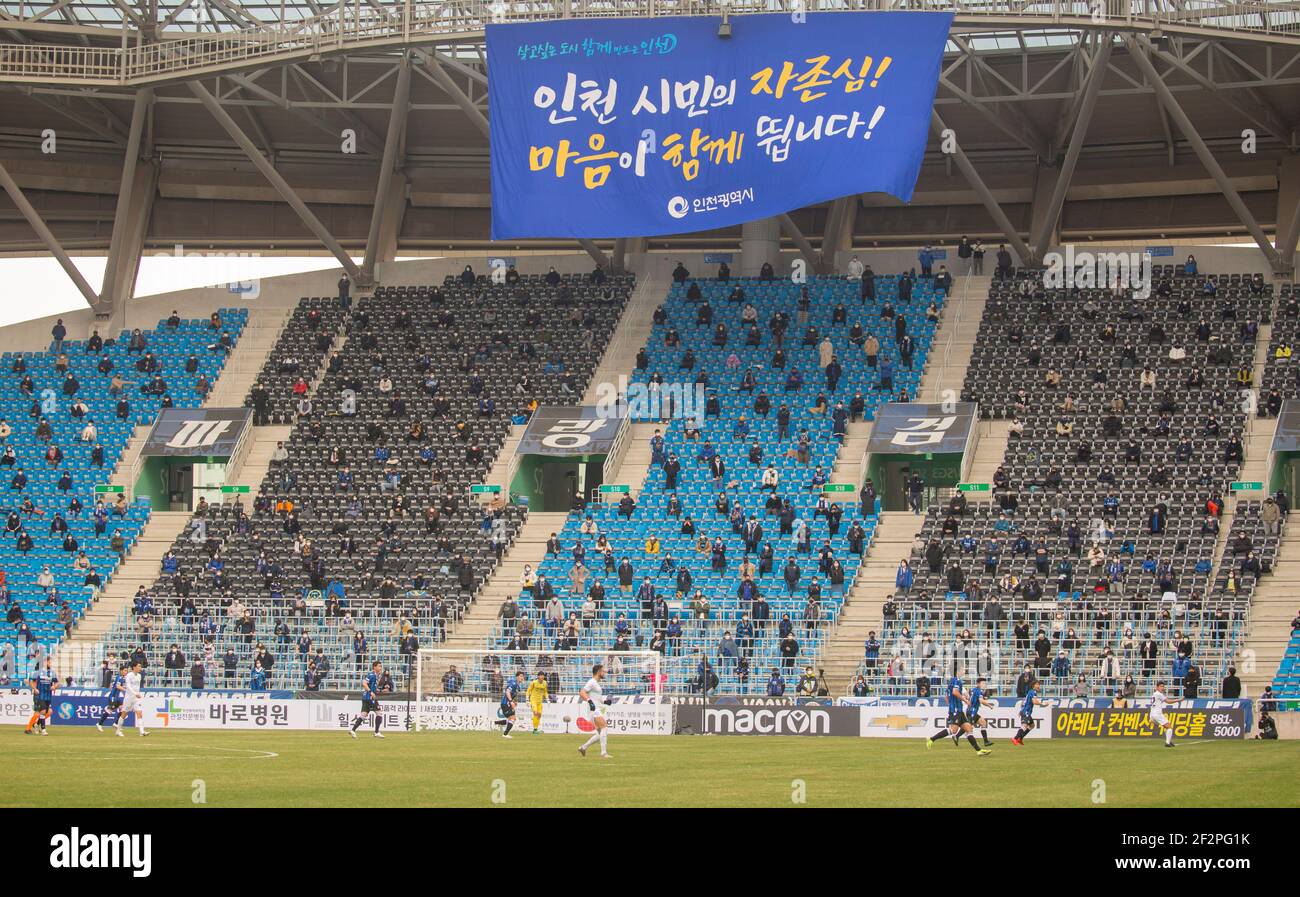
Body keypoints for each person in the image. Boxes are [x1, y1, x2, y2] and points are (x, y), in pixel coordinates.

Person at [925, 670, 991, 756]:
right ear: (957, 671)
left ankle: (979, 750)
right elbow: (955, 692)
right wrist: (965, 700)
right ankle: (931, 739)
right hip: (957, 709)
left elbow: (946, 697)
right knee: (953, 730)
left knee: (969, 729)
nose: (964, 671)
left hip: (957, 709)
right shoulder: (957, 681)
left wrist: (951, 706)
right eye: (962, 669)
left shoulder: (951, 682)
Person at [577, 663, 611, 759]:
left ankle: (583, 747)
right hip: (594, 710)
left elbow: (596, 698)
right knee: (604, 727)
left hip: (597, 709)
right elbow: (582, 692)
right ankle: (603, 753)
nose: (604, 673)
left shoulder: (596, 683)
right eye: (603, 671)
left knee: (600, 733)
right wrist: (589, 701)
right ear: (599, 672)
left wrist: (605, 701)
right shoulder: (591, 682)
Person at [349, 661, 386, 738]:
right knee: (379, 713)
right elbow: (364, 683)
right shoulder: (372, 675)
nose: (380, 668)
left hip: (365, 697)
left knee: (363, 715)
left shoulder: (376, 675)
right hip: (370, 697)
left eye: (380, 666)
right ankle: (376, 732)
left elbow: (369, 685)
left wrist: (376, 690)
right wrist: (371, 692)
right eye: (379, 666)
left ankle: (353, 730)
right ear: (374, 667)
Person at [114, 660, 149, 737]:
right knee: (124, 714)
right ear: (134, 667)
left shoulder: (139, 676)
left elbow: (137, 687)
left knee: (139, 713)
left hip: (136, 698)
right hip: (129, 698)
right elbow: (128, 687)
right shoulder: (129, 675)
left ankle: (142, 731)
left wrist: (137, 693)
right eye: (139, 666)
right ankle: (118, 731)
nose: (140, 668)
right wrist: (135, 693)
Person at [25, 657, 58, 735]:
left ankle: (35, 724)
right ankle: (29, 728)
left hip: (47, 695)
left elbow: (56, 683)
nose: (50, 664)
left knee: (49, 711)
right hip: (38, 695)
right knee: (39, 712)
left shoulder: (51, 673)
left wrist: (54, 686)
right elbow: (30, 681)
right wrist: (35, 688)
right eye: (49, 662)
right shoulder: (37, 672)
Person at [1010, 677, 1043, 746]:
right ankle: (1015, 738)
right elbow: (1034, 702)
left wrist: (1021, 711)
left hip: (1025, 711)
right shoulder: (1033, 692)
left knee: (1032, 725)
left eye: (1038, 684)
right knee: (1024, 725)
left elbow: (1024, 702)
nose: (1038, 686)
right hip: (1026, 712)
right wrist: (1042, 704)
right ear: (1033, 685)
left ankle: (1020, 738)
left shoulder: (1030, 692)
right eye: (1037, 684)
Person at [96, 664, 126, 732]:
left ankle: (115, 724)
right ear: (121, 671)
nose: (126, 672)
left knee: (123, 709)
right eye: (125, 670)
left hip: (116, 697)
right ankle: (99, 724)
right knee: (110, 711)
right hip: (113, 697)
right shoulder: (120, 677)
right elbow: (118, 686)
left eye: (126, 670)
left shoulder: (120, 677)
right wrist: (126, 689)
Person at [495, 671, 524, 738]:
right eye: (521, 676)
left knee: (510, 719)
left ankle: (496, 723)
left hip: (508, 703)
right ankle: (505, 734)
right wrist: (511, 701)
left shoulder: (518, 686)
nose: (522, 678)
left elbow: (511, 694)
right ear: (517, 677)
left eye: (523, 676)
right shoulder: (513, 683)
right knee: (513, 718)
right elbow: (507, 692)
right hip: (505, 703)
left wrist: (513, 701)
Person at [1149, 680, 1176, 748]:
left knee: (1166, 727)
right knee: (1169, 727)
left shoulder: (1154, 694)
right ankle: (1167, 743)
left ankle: (1168, 740)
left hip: (1152, 714)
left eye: (1163, 686)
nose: (1162, 688)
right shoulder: (1159, 694)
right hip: (1157, 714)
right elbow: (1168, 701)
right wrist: (1178, 700)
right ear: (1157, 687)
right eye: (1161, 686)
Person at [526, 669, 549, 734]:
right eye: (541, 675)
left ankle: (535, 729)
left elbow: (545, 692)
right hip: (533, 700)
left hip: (540, 701)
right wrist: (527, 700)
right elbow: (528, 691)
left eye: (543, 675)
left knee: (539, 715)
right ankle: (535, 729)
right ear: (538, 676)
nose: (542, 677)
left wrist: (547, 699)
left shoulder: (545, 683)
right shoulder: (534, 682)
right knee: (535, 713)